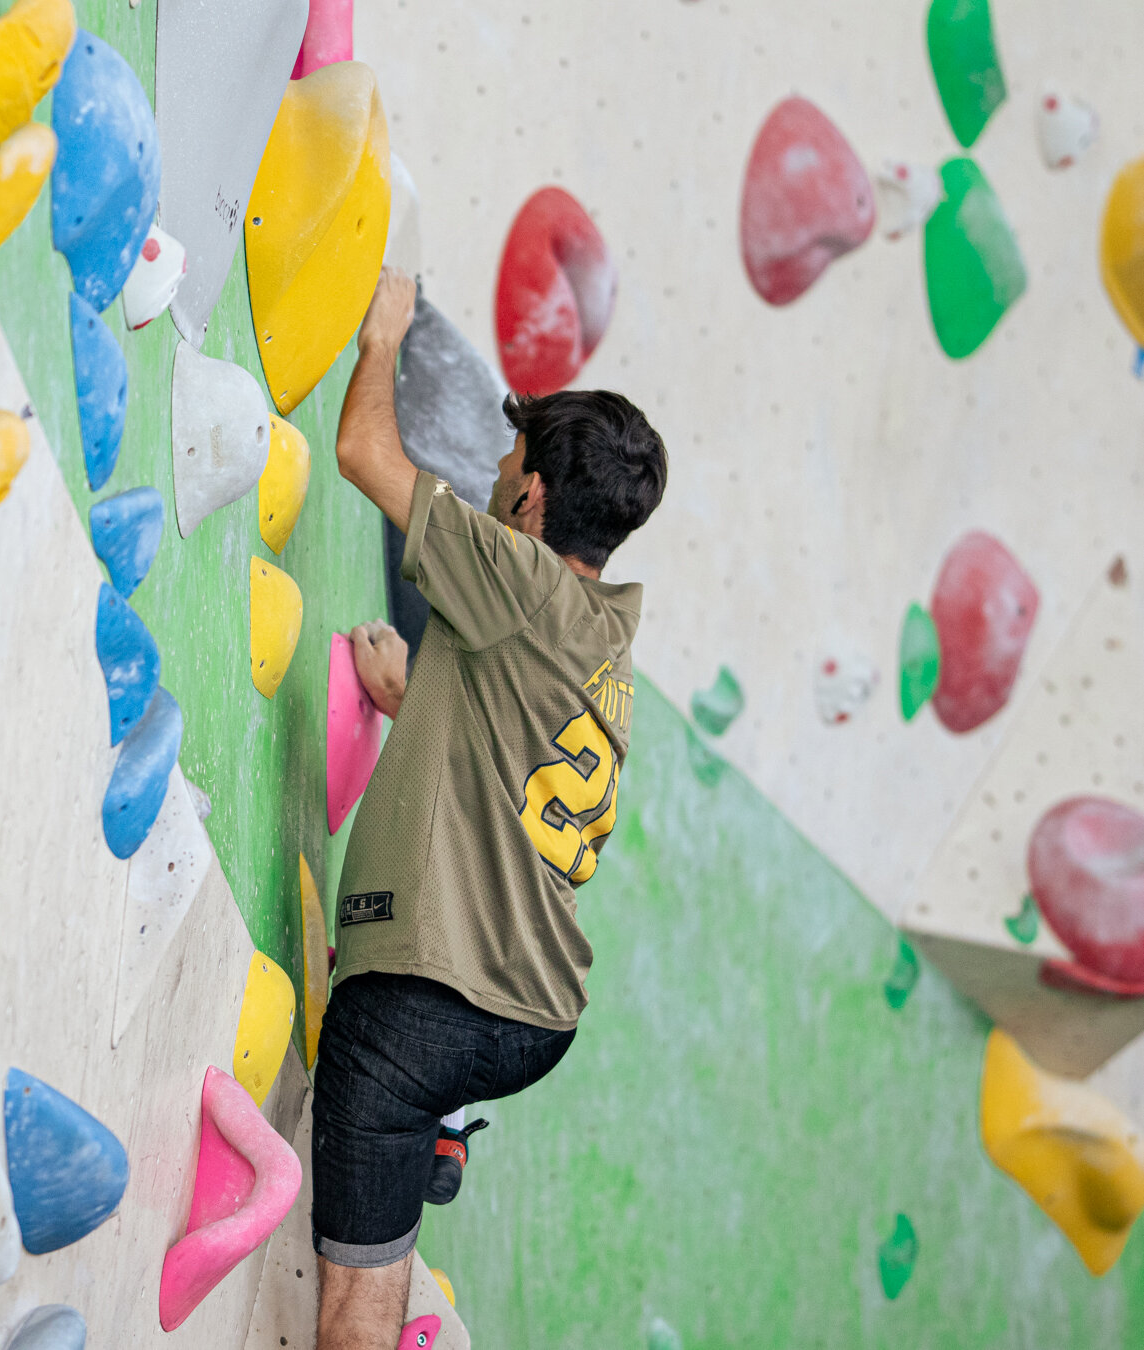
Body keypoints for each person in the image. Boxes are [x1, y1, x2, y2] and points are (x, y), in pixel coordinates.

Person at [312, 267, 668, 1348]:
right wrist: (413, 701)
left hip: (427, 1004)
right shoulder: (601, 640)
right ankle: (440, 1137)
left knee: (351, 1307)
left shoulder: (514, 577)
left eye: (506, 465)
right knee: (402, 1141)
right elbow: (509, 751)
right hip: (536, 1015)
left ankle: (422, 1138)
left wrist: (380, 340)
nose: (493, 477)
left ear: (533, 500)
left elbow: (365, 454)